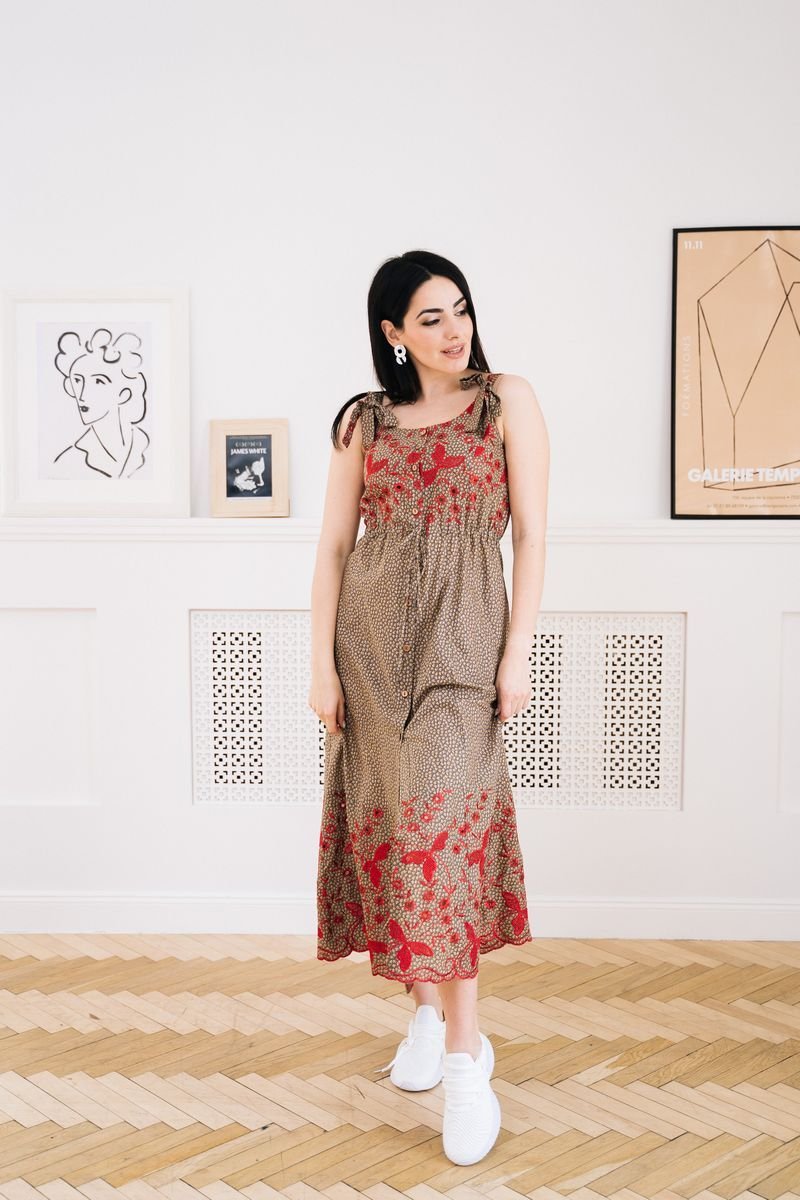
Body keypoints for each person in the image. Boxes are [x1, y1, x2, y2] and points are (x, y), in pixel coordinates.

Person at [309, 249, 549, 1165]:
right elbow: (334, 550)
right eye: (432, 318)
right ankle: (421, 1012)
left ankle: (464, 1062)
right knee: (392, 823)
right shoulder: (364, 422)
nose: (456, 331)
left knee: (440, 838)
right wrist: (321, 666)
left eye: (462, 310)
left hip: (464, 644)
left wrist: (516, 654)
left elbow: (532, 539)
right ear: (394, 335)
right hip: (369, 648)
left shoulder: (506, 401)